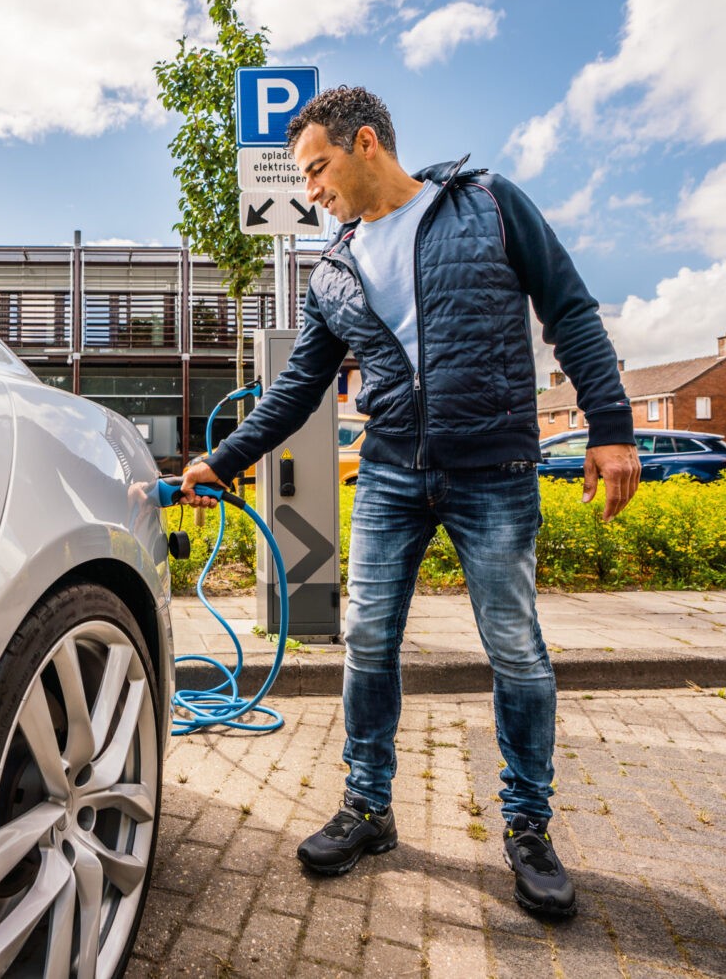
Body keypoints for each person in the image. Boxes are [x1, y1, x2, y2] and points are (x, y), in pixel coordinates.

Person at [179, 86, 640, 917]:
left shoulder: (488, 204)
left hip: (493, 466)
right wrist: (223, 458)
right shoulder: (336, 271)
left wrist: (609, 424)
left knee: (517, 651)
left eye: (317, 169)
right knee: (366, 641)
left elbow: (568, 309)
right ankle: (368, 806)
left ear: (365, 144)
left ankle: (528, 829)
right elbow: (297, 389)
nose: (310, 189)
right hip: (391, 473)